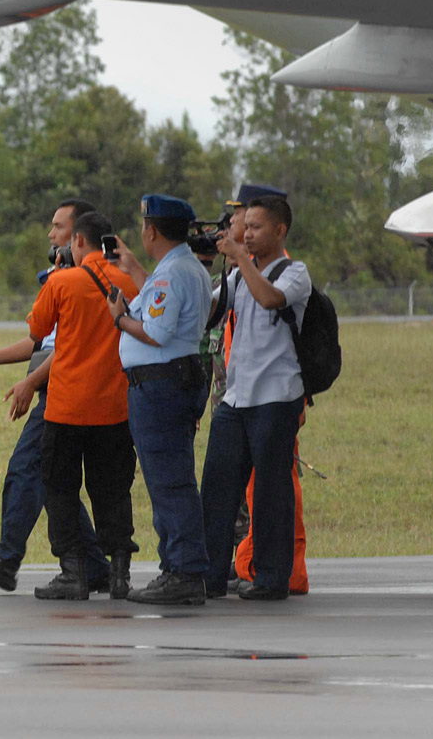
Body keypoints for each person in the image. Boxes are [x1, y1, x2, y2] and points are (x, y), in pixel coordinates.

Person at [0, 198, 110, 594]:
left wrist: (30, 382)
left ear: (78, 236)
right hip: (58, 389)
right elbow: (39, 342)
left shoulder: (81, 283)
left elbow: (70, 351)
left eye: (58, 227)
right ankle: (92, 565)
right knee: (53, 481)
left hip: (66, 393)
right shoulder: (61, 279)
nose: (50, 233)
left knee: (27, 469)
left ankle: (8, 558)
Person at [26, 211, 140, 601]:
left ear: (77, 241)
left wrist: (55, 277)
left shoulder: (62, 281)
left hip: (67, 407)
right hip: (114, 407)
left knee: (60, 489)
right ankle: (121, 572)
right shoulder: (129, 282)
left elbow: (37, 329)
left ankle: (72, 572)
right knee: (113, 491)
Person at [201, 195, 310, 601]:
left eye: (257, 227)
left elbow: (270, 298)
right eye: (245, 227)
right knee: (216, 487)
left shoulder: (295, 273)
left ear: (280, 231)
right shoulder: (235, 277)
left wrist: (239, 258)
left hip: (276, 398)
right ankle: (209, 574)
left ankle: (271, 577)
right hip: (236, 397)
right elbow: (207, 309)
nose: (247, 234)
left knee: (270, 492)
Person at [106, 195, 213, 605]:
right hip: (169, 382)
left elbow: (155, 332)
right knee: (169, 478)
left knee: (169, 481)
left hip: (161, 385)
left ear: (151, 230)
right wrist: (134, 269)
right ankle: (176, 567)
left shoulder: (173, 274)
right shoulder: (181, 267)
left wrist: (118, 318)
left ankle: (185, 571)